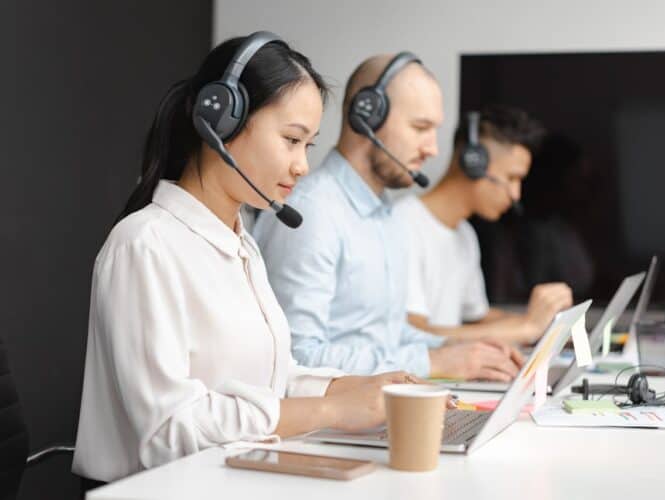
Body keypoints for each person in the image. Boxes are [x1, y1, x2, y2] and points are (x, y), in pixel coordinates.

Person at [72, 33, 419, 484]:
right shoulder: (145, 245)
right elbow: (167, 431)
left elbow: (264, 379)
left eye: (308, 146)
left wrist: (347, 387)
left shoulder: (241, 242)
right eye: (292, 140)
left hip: (233, 480)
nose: (302, 166)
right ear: (221, 118)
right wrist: (331, 409)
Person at [253, 54, 523, 382]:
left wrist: (461, 349)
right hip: (324, 425)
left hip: (379, 410)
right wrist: (431, 362)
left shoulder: (386, 214)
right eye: (420, 128)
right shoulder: (313, 213)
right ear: (367, 114)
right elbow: (297, 356)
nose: (433, 149)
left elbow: (388, 335)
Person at [394, 106, 573, 345]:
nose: (515, 195)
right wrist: (525, 329)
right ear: (473, 162)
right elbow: (414, 335)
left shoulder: (465, 234)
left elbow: (476, 318)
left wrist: (545, 324)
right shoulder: (403, 224)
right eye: (511, 178)